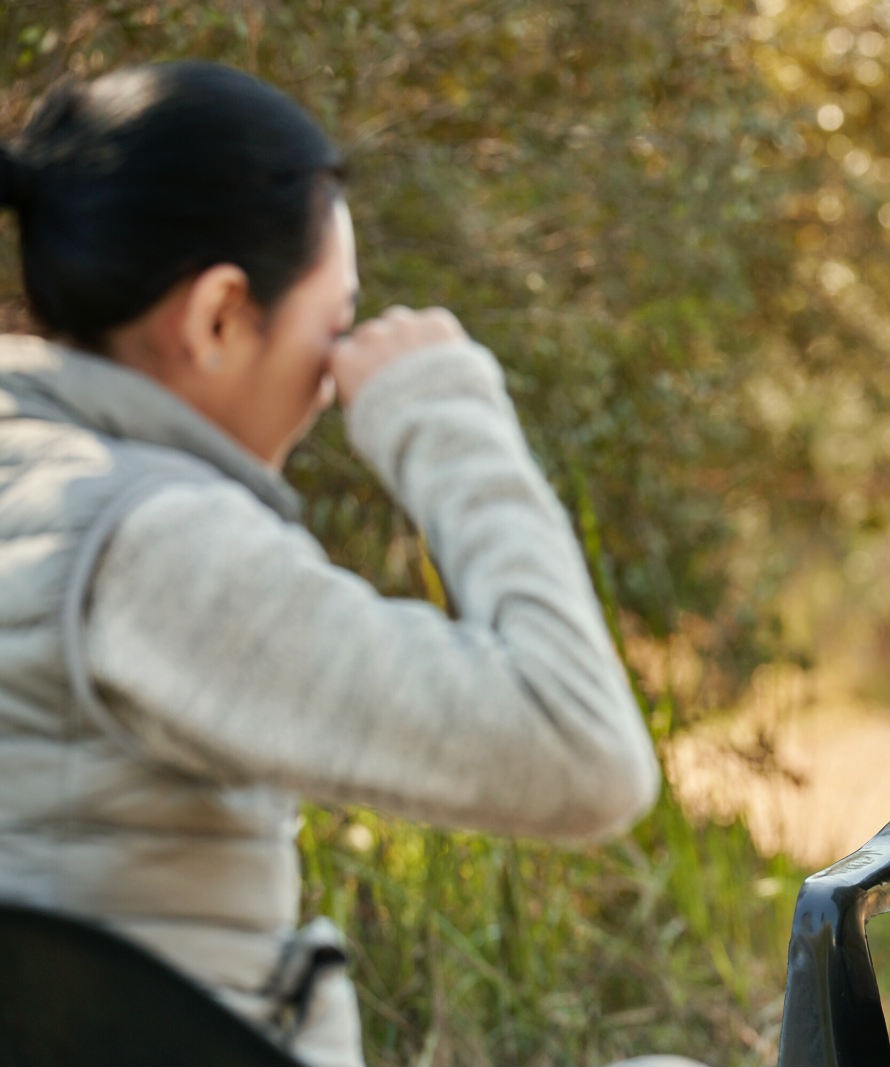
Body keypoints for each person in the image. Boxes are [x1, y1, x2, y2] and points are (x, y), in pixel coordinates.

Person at [0, 61, 662, 1067]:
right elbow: (587, 754)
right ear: (219, 315)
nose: (332, 378)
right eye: (334, 325)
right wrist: (444, 415)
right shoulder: (151, 545)